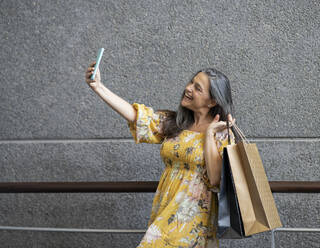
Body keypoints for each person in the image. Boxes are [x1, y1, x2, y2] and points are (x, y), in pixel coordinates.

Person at [85, 63, 235, 248]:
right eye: (191, 82)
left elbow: (215, 179)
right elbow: (136, 116)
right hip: (166, 204)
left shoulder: (222, 134)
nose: (188, 88)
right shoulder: (176, 123)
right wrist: (99, 87)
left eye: (197, 88)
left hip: (192, 213)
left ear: (212, 101)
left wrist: (211, 134)